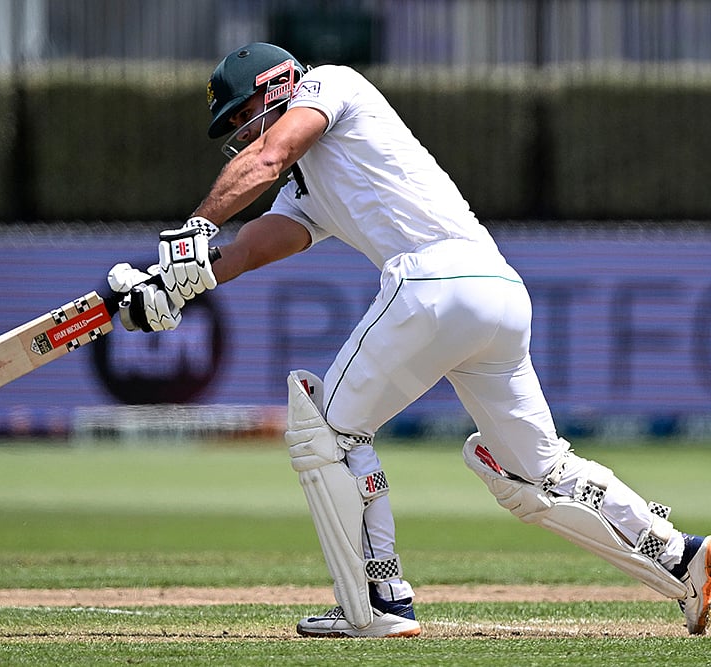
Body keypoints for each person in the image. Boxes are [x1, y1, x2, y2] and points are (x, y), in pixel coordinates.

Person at [106, 42, 710, 638]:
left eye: (242, 116)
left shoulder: (331, 85)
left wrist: (193, 227)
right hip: (497, 294)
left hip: (435, 281)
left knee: (326, 432)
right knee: (533, 472)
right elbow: (253, 246)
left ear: (278, 85)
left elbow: (268, 154)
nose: (242, 133)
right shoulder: (308, 187)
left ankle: (378, 601)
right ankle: (685, 559)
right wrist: (178, 284)